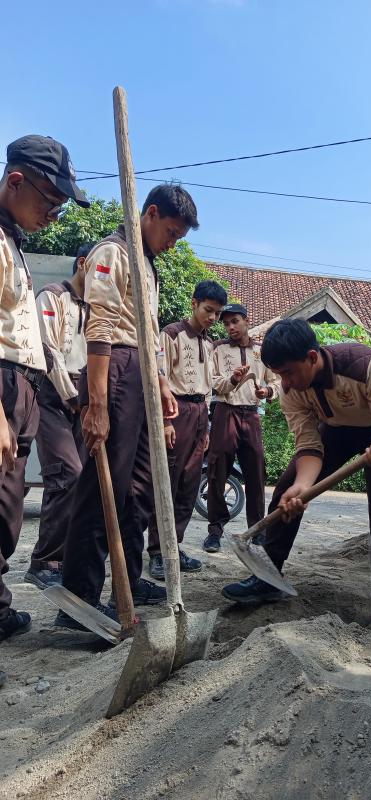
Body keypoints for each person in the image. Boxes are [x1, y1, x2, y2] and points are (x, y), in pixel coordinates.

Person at [58, 184, 198, 629]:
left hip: (140, 374)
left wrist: (161, 383)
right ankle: (78, 599)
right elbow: (100, 327)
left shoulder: (147, 265)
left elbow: (148, 331)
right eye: (171, 232)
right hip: (114, 370)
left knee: (138, 487)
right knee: (104, 487)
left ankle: (129, 580)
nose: (172, 243)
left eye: (179, 238)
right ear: (150, 213)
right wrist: (97, 404)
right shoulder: (113, 252)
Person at [222, 318, 371, 622]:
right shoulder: (291, 389)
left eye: (288, 373)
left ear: (311, 357)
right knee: (286, 490)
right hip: (335, 429)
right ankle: (269, 578)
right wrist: (302, 487)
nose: (284, 383)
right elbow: (308, 445)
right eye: (279, 375)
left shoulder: (365, 365)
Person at [0, 135, 90, 642]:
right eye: (50, 202)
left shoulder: (12, 239)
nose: (54, 216)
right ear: (16, 180)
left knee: (8, 507)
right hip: (6, 385)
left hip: (25, 388)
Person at [25, 242, 95, 589]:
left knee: (81, 483)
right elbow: (47, 350)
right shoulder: (52, 297)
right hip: (54, 395)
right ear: (83, 264)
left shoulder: (98, 308)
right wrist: (71, 395)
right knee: (67, 474)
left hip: (84, 396)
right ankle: (43, 561)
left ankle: (64, 558)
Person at [147, 280, 227, 580]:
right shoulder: (171, 334)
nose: (212, 317)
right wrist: (165, 421)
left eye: (217, 313)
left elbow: (208, 388)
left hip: (199, 414)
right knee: (168, 481)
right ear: (194, 304)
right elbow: (158, 380)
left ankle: (174, 546)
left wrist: (205, 428)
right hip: (176, 410)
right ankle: (158, 551)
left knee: (189, 484)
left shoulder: (209, 343)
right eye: (208, 310)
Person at [204, 303, 280, 553]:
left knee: (256, 471)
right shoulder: (218, 348)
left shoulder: (262, 351)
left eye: (235, 321)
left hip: (251, 414)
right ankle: (215, 531)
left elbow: (277, 381)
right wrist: (233, 379)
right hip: (225, 412)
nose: (230, 327)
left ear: (247, 320)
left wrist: (267, 391)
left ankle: (257, 531)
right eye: (226, 323)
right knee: (217, 470)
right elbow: (213, 381)